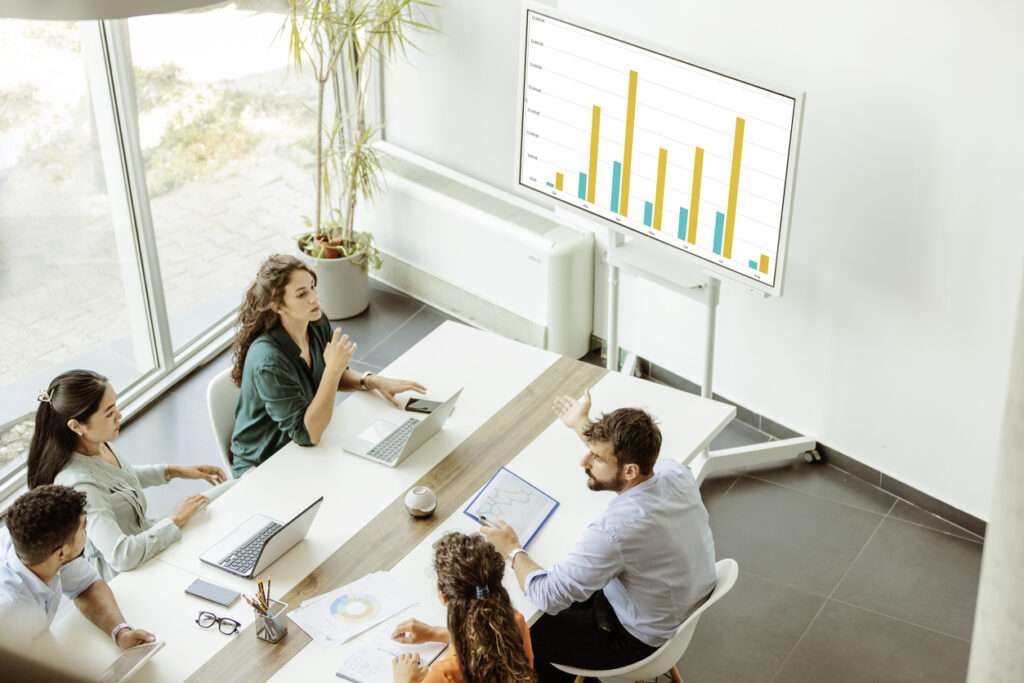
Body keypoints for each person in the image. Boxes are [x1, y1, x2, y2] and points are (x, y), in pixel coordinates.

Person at [481, 391, 717, 683]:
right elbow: (620, 459)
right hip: (673, 611)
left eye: (595, 456)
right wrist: (582, 424)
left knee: (518, 627)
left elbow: (548, 596)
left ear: (630, 470)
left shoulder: (615, 530)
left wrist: (512, 549)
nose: (584, 461)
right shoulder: (675, 473)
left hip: (635, 641)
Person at [229, 254, 426, 477]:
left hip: (304, 448)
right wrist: (333, 368)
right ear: (277, 306)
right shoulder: (269, 361)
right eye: (302, 294)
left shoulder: (315, 323)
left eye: (313, 287)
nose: (314, 298)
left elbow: (327, 376)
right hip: (264, 462)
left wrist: (372, 381)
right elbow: (308, 434)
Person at [27, 369, 225, 580]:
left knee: (227, 493)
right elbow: (121, 556)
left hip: (151, 540)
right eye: (110, 413)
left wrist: (176, 471)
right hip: (133, 573)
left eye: (116, 406)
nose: (119, 415)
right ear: (76, 426)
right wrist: (177, 520)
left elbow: (121, 479)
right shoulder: (81, 484)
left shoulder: (97, 444)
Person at [0, 485, 156, 648]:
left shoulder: (39, 549)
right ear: (61, 553)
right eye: (83, 527)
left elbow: (86, 585)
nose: (86, 531)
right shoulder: (10, 612)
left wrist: (121, 632)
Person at [389, 532, 536, 683]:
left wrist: (404, 680)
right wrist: (434, 633)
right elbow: (485, 641)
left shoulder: (445, 675)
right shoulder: (514, 623)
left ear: (443, 596)